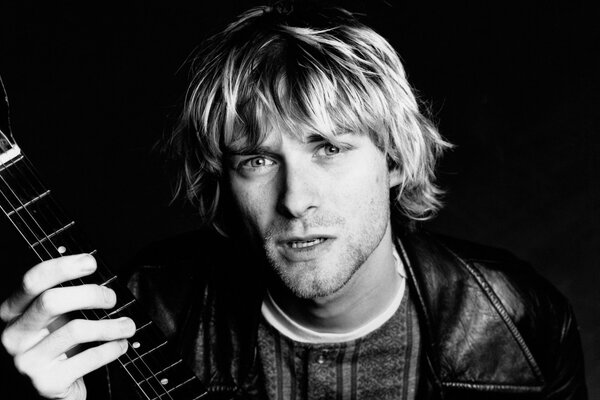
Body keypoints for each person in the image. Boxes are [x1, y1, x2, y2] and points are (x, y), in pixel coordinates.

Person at [0, 3, 588, 399]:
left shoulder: (517, 321)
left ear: (396, 159)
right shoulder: (141, 312)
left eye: (329, 147)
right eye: (256, 160)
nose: (296, 199)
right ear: (225, 183)